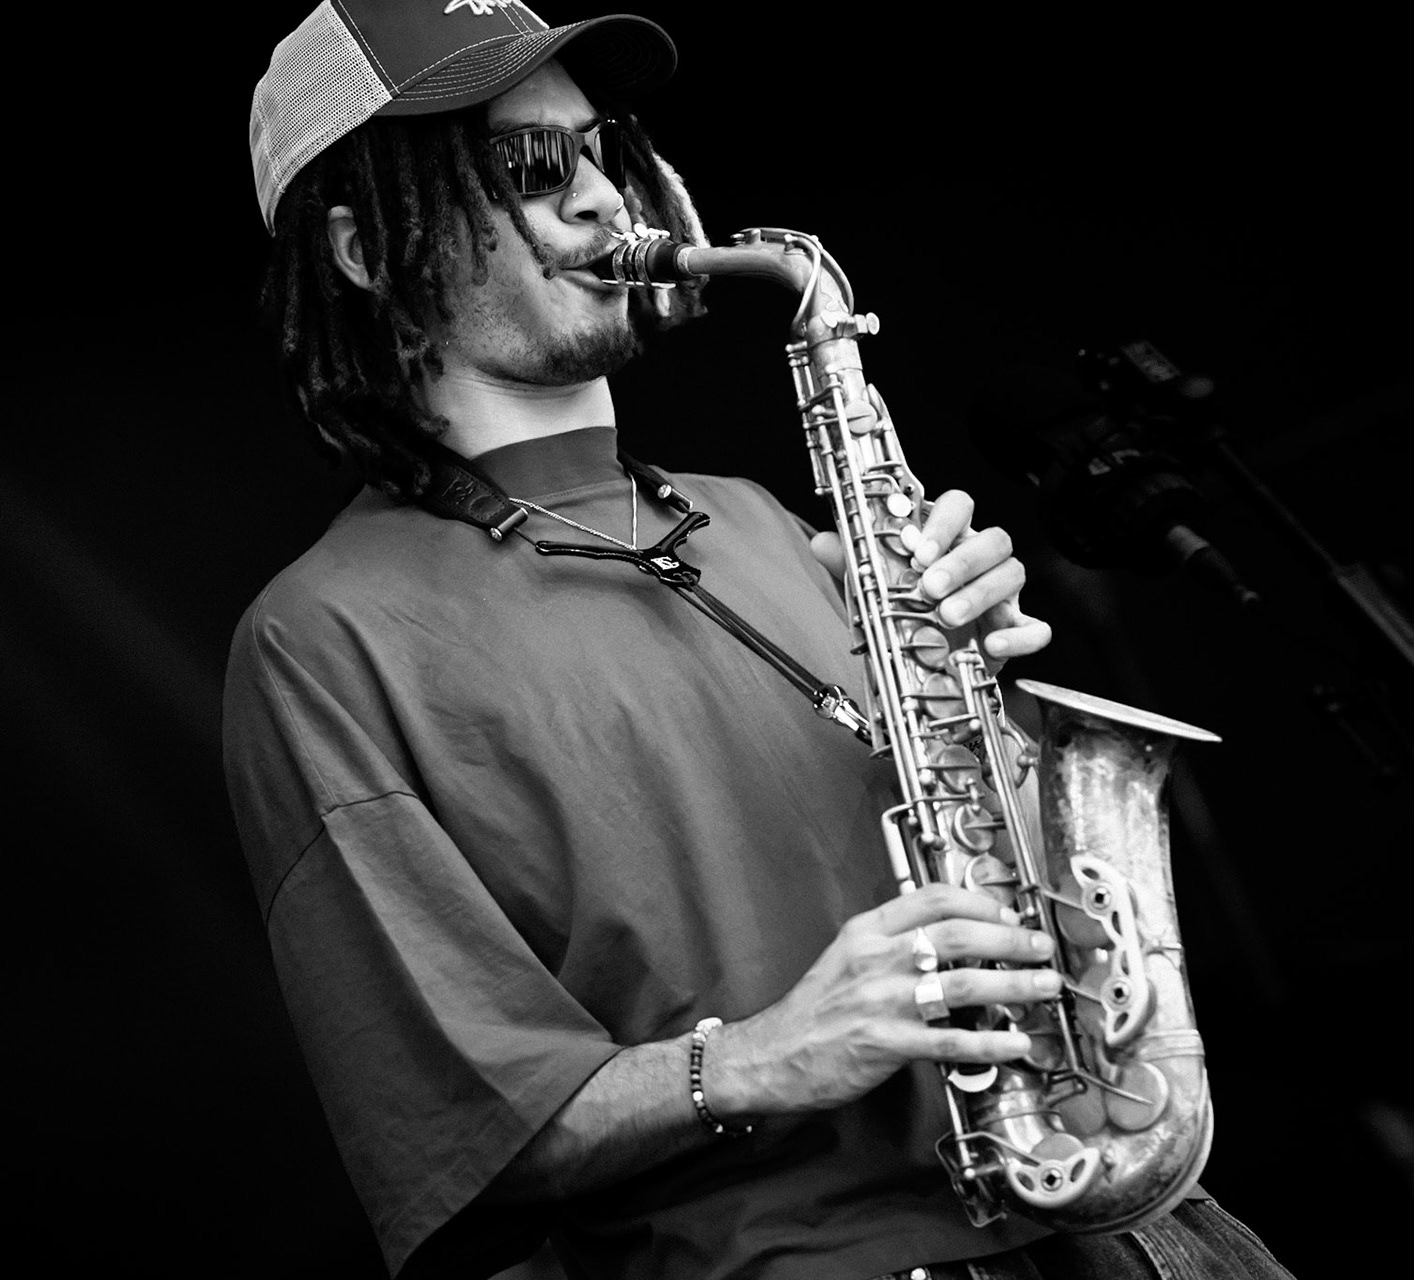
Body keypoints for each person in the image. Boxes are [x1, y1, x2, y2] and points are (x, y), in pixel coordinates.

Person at [228, 4, 1294, 1278]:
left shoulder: (763, 522)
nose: (596, 199)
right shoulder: (321, 639)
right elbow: (457, 1137)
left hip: (1144, 1235)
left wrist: (985, 697)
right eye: (526, 166)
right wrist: (770, 1051)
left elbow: (1033, 913)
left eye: (596, 146)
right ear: (363, 249)